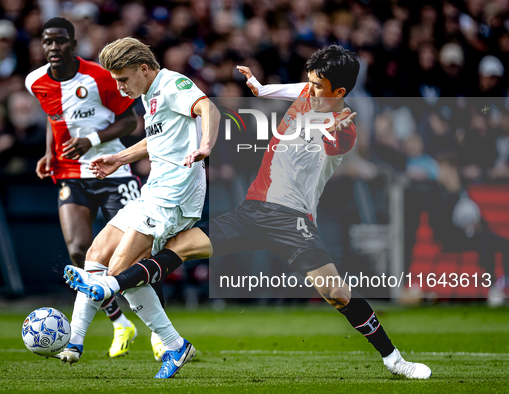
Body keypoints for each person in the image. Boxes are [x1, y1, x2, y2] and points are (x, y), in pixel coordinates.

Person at [87, 45, 432, 379]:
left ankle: (395, 360)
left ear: (338, 91)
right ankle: (112, 286)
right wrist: (262, 88)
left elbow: (331, 139)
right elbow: (294, 88)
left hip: (292, 220)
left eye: (317, 86)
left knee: (337, 293)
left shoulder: (344, 127)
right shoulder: (312, 91)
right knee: (178, 246)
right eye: (308, 81)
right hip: (252, 211)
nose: (309, 90)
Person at [60, 37, 220, 379]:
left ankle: (173, 344)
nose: (119, 87)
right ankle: (74, 340)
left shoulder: (175, 84)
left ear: (143, 68)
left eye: (122, 79)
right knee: (95, 255)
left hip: (173, 198)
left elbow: (210, 108)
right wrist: (119, 157)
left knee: (122, 271)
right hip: (153, 192)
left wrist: (206, 145)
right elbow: (158, 138)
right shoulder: (150, 93)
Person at [25, 18, 164, 361]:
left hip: (113, 169)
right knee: (78, 251)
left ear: (73, 44)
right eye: (47, 42)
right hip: (70, 172)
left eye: (60, 41)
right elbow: (53, 116)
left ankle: (160, 333)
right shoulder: (35, 81)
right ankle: (119, 323)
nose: (53, 47)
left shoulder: (99, 76)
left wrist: (92, 139)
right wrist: (49, 152)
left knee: (131, 256)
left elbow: (132, 121)